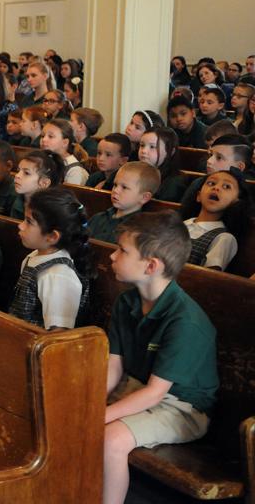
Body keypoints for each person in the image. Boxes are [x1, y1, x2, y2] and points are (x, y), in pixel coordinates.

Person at [104, 211, 218, 504]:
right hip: (136, 387)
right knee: (67, 409)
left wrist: (99, 416)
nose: (112, 256)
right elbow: (113, 368)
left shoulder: (185, 321)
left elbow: (156, 393)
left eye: (122, 250)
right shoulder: (127, 301)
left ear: (151, 265)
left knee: (111, 440)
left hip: (181, 407)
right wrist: (88, 405)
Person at [9, 187, 91, 329]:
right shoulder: (34, 256)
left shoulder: (58, 276)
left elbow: (58, 335)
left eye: (29, 222)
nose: (20, 226)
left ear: (52, 236)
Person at [180, 169, 250, 271]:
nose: (216, 188)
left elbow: (209, 278)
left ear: (236, 202)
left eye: (226, 186)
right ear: (198, 196)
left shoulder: (224, 238)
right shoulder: (181, 224)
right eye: (211, 183)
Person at [87, 161, 160, 244]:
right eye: (115, 185)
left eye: (124, 187)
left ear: (144, 197)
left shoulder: (137, 231)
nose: (116, 190)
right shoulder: (98, 218)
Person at [137, 127, 189, 203]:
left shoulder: (175, 182)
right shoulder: (134, 171)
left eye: (152, 147)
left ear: (170, 151)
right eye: (142, 145)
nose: (144, 151)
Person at [10, 150, 65, 219]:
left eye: (26, 173)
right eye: (18, 170)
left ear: (44, 183)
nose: (17, 175)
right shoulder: (17, 198)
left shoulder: (51, 212)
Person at [40, 118, 90, 185]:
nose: (44, 139)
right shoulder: (44, 160)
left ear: (65, 142)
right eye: (42, 136)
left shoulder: (74, 171)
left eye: (50, 136)